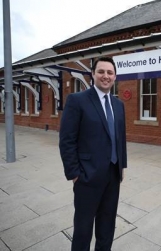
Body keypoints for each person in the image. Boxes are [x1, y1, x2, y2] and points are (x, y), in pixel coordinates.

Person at [59, 56, 127, 251]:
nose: (105, 76)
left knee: (107, 227)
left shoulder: (118, 105)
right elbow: (67, 140)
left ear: (115, 77)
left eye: (110, 73)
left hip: (113, 177)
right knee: (83, 230)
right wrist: (74, 174)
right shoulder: (77, 100)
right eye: (101, 72)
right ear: (93, 74)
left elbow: (120, 138)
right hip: (87, 178)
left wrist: (122, 166)